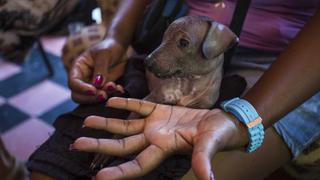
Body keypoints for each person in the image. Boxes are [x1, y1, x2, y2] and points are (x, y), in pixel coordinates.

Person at [28, 0, 320, 180]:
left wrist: (242, 120)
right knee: (50, 171)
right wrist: (116, 37)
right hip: (182, 47)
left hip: (287, 72)